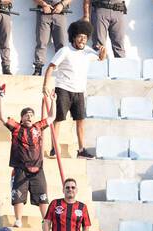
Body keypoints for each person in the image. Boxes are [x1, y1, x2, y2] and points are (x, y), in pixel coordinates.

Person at [42, 20, 106, 160]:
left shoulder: (88, 52)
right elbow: (51, 67)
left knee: (80, 120)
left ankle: (81, 150)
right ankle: (54, 148)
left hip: (79, 91)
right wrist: (46, 85)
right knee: (58, 119)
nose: (83, 40)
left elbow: (101, 59)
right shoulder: (65, 51)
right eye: (80, 36)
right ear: (73, 37)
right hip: (63, 88)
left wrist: (103, 52)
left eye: (85, 37)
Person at [0, 89, 49, 224]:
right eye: (26, 115)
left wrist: (52, 101)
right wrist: (0, 99)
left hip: (38, 168)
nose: (29, 117)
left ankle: (46, 220)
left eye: (31, 115)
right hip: (20, 168)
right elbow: (2, 117)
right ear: (21, 118)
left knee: (42, 194)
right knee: (18, 194)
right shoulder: (16, 128)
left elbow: (52, 117)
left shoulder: (38, 126)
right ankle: (18, 219)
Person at [33, 1, 72, 75]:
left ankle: (63, 69)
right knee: (41, 42)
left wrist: (62, 5)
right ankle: (38, 68)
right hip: (43, 12)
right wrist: (43, 4)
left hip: (60, 13)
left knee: (61, 44)